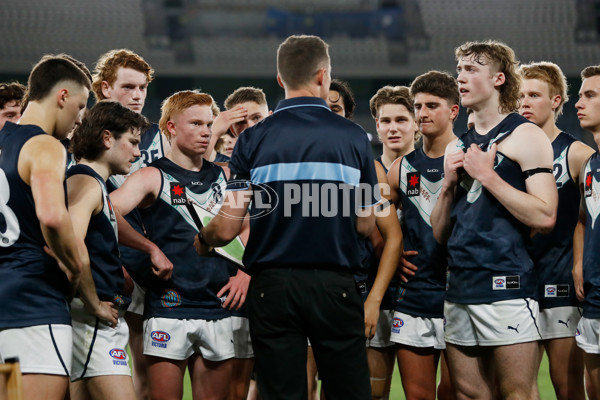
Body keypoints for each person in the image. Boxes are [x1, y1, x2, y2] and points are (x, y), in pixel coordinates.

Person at [196, 34, 379, 400]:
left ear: (280, 80)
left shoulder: (253, 140)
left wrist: (203, 240)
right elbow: (365, 225)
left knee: (281, 393)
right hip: (336, 284)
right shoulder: (355, 138)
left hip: (272, 287)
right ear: (323, 76)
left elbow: (229, 225)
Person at [430, 41, 558, 399]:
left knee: (517, 393)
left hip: (507, 285)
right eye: (459, 70)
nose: (461, 78)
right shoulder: (457, 147)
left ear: (499, 78)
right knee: (468, 394)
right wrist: (447, 186)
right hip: (459, 285)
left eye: (472, 70)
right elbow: (440, 233)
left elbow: (546, 214)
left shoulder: (525, 135)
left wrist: (488, 177)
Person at [111, 90, 241, 400]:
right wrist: (148, 248)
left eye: (209, 124)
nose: (206, 131)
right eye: (196, 123)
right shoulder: (150, 176)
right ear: (170, 127)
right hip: (169, 304)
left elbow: (248, 224)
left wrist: (246, 272)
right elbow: (103, 209)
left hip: (218, 305)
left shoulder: (227, 175)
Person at [0, 54, 90, 400]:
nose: (79, 118)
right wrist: (74, 266)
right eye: (80, 105)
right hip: (33, 307)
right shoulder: (45, 145)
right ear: (62, 96)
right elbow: (52, 216)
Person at [92, 48, 170, 399]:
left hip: (151, 264)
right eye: (128, 86)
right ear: (105, 88)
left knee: (147, 367)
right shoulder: (86, 135)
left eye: (142, 87)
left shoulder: (155, 138)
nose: (137, 95)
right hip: (106, 266)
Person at [519, 61, 593, 400]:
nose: (525, 102)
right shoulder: (508, 153)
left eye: (534, 95)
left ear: (556, 101)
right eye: (520, 96)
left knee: (567, 388)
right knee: (515, 389)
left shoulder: (578, 154)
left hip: (561, 285)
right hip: (516, 286)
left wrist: (580, 262)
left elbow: (586, 216)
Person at [66, 100, 150, 400]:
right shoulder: (84, 182)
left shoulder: (96, 184)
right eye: (132, 142)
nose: (138, 152)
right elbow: (71, 245)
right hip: (92, 321)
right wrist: (93, 301)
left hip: (96, 320)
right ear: (106, 138)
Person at [384, 73, 458, 400]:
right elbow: (379, 225)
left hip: (461, 294)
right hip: (413, 295)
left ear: (454, 110)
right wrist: (390, 254)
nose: (422, 113)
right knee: (418, 396)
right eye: (418, 106)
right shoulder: (399, 168)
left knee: (459, 393)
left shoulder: (471, 159)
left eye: (432, 105)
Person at [573, 64, 600, 400]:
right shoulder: (591, 165)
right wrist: (579, 261)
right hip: (593, 295)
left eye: (590, 95)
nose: (579, 102)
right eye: (580, 95)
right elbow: (582, 218)